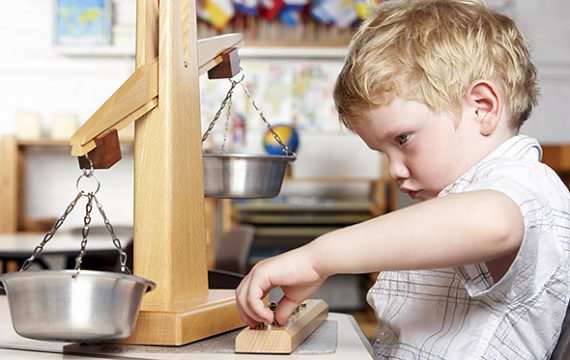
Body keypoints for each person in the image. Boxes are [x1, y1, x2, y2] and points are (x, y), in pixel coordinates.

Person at [235, 0, 570, 358]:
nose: (395, 169)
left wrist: (318, 258)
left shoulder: (526, 182)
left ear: (482, 107)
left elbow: (494, 223)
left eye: (403, 139)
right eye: (384, 153)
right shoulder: (454, 205)